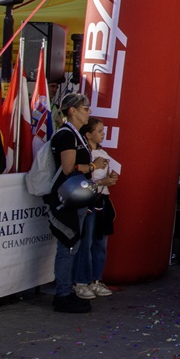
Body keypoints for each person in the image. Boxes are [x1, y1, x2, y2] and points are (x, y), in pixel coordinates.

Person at [46, 93, 109, 314]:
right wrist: (93, 166)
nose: (88, 112)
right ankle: (63, 294)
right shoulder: (66, 135)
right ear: (72, 110)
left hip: (76, 197)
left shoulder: (75, 135)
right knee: (68, 245)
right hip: (68, 198)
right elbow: (68, 168)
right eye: (85, 108)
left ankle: (67, 290)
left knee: (73, 245)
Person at [72, 117, 119, 300]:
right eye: (99, 131)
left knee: (101, 243)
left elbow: (107, 178)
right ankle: (81, 281)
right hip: (89, 202)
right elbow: (79, 181)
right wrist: (101, 181)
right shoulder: (85, 156)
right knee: (87, 242)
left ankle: (96, 280)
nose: (103, 134)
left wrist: (111, 178)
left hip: (103, 201)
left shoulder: (104, 154)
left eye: (103, 130)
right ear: (88, 134)